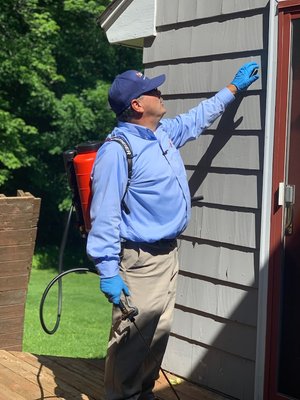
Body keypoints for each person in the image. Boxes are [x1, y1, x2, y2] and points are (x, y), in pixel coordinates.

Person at [86, 62, 259, 400]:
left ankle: (143, 392)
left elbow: (196, 119)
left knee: (158, 333)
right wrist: (107, 270)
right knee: (131, 341)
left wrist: (232, 89)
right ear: (137, 105)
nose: (159, 93)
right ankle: (122, 397)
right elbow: (104, 215)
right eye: (152, 91)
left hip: (167, 255)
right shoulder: (117, 151)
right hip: (140, 261)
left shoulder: (160, 134)